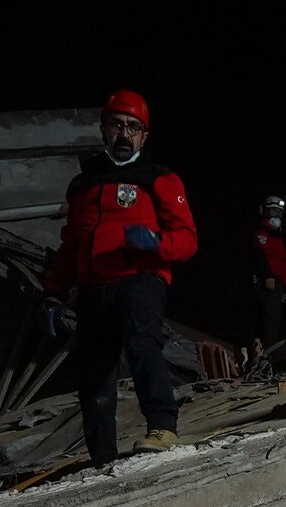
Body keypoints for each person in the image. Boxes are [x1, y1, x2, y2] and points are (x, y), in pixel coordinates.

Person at [41, 90, 199, 463]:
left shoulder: (159, 179)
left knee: (142, 342)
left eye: (133, 127)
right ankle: (101, 458)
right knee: (93, 375)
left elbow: (188, 239)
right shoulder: (84, 185)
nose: (124, 134)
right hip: (94, 287)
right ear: (103, 129)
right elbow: (70, 245)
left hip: (140, 277)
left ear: (144, 136)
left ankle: (162, 427)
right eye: (116, 125)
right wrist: (52, 292)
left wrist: (155, 242)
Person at [252, 195, 286, 351]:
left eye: (280, 212)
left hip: (277, 283)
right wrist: (267, 275)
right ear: (266, 211)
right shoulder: (262, 231)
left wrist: (283, 286)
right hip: (268, 280)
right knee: (268, 318)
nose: (278, 215)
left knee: (274, 318)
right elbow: (259, 254)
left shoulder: (276, 235)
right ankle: (264, 351)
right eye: (275, 211)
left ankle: (268, 350)